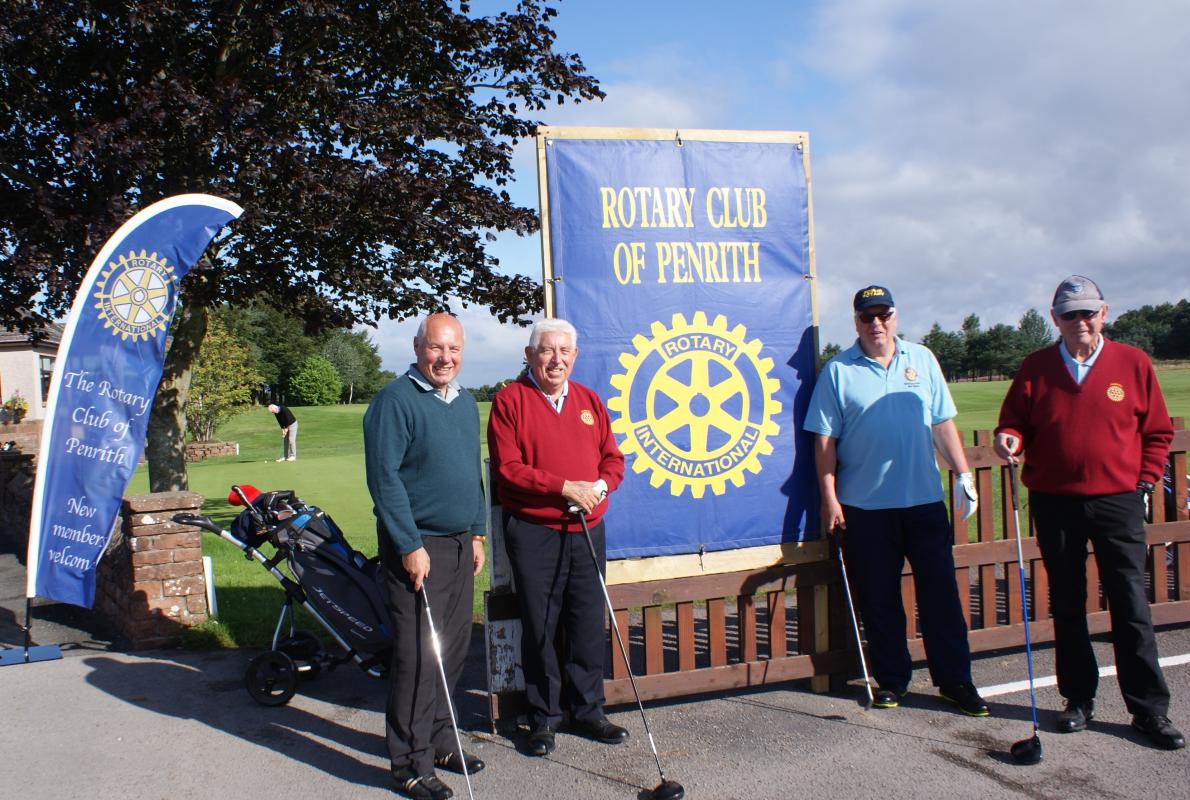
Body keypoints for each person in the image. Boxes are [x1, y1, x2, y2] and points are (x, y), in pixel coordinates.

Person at [994, 275, 1183, 750]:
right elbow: (1014, 420)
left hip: (1117, 501)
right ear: (1055, 319)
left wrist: (1142, 480)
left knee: (1130, 606)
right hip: (1055, 501)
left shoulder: (1132, 363)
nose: (1080, 321)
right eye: (1069, 314)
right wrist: (1008, 437)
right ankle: (1077, 700)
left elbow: (1157, 432)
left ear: (1105, 313)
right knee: (1069, 604)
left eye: (1088, 312)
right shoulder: (1036, 366)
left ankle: (1148, 710)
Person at [804, 285, 987, 715]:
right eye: (867, 317)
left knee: (941, 596)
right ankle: (892, 679)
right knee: (879, 599)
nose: (876, 324)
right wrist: (830, 497)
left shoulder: (921, 359)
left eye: (883, 315)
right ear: (856, 322)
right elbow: (825, 440)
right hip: (865, 508)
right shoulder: (838, 370)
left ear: (895, 317)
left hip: (923, 502)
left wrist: (962, 473)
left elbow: (942, 423)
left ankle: (955, 680)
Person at [487, 318, 627, 757]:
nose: (556, 359)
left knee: (586, 621)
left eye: (565, 351)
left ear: (575, 357)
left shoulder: (589, 400)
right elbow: (508, 468)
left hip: (587, 527)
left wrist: (599, 488)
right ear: (530, 355)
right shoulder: (510, 401)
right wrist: (565, 487)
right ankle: (543, 717)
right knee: (541, 624)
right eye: (547, 350)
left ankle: (588, 711)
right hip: (536, 531)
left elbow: (613, 459)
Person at [363, 313, 488, 800]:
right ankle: (408, 764)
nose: (445, 358)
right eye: (436, 348)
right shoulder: (394, 402)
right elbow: (384, 480)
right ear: (418, 347)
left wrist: (476, 532)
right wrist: (409, 544)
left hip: (459, 545)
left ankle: (437, 740)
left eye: (454, 349)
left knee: (451, 650)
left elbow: (469, 472)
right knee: (417, 658)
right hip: (418, 549)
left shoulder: (464, 402)